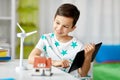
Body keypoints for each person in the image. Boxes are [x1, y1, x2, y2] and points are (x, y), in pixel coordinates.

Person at [28, 3, 95, 77]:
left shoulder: (79, 46)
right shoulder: (46, 39)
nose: (59, 28)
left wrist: (88, 57)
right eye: (57, 23)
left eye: (65, 26)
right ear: (53, 20)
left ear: (72, 28)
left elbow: (82, 74)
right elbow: (31, 58)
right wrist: (53, 62)